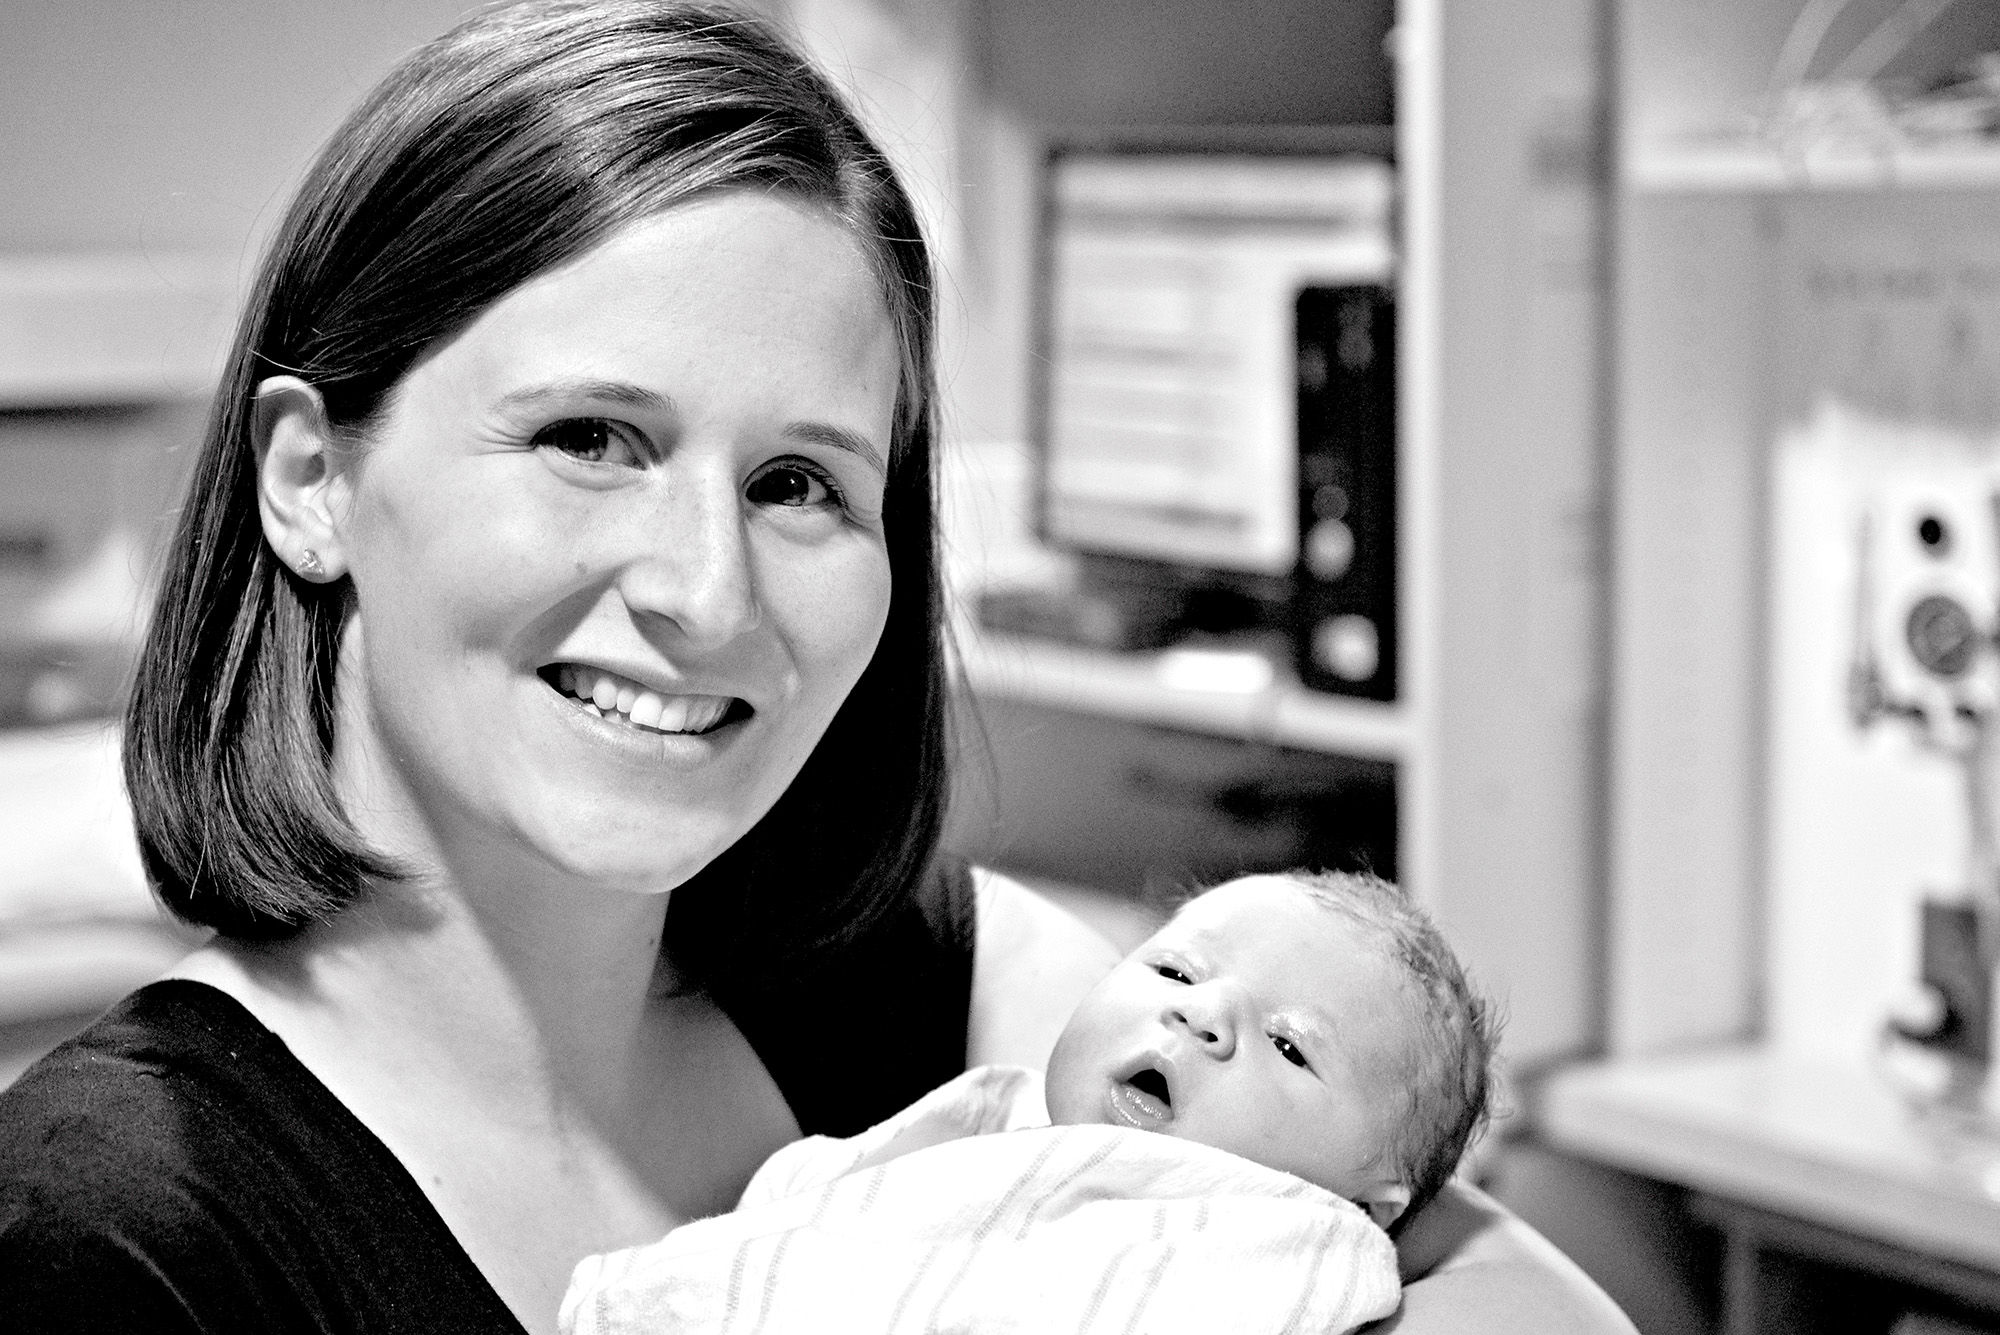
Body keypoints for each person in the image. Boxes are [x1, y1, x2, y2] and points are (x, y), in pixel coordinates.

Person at [0, 4, 1634, 1334]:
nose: (709, 596)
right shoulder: (117, 1241)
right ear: (312, 480)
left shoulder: (926, 986)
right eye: (591, 438)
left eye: (800, 484)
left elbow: (1494, 1276)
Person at [559, 871, 1494, 1334]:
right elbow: (815, 1205)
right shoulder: (989, 1118)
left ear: (1372, 1201)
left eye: (1291, 1045)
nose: (1198, 1012)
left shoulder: (1290, 1236)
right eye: (1174, 966)